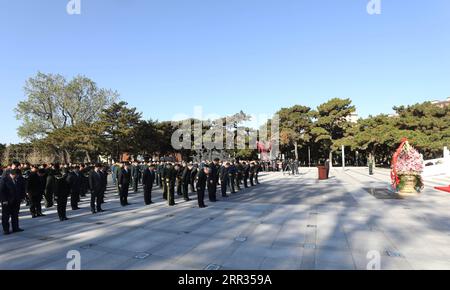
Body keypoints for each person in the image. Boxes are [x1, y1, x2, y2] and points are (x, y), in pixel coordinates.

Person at [0, 169, 26, 235]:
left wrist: (22, 197)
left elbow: (22, 188)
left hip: (16, 200)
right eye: (16, 175)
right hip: (7, 201)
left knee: (15, 215)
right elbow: (1, 191)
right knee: (6, 216)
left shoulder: (18, 179)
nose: (17, 176)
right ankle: (6, 230)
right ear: (12, 174)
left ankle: (15, 228)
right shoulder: (4, 180)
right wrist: (4, 200)